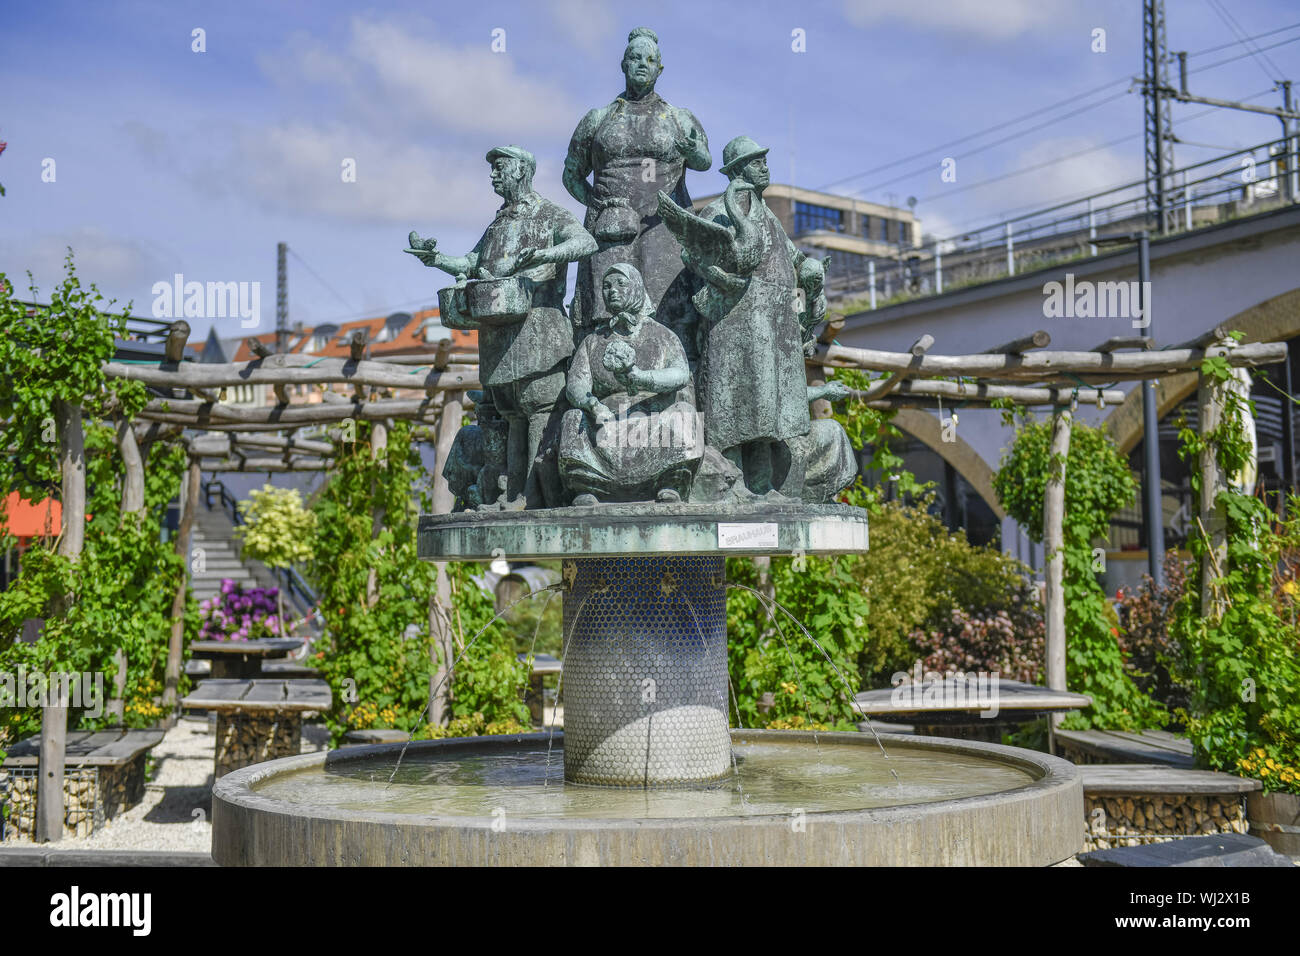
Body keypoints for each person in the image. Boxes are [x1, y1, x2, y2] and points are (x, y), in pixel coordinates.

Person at [408, 145, 596, 509]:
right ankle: (513, 495)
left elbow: (586, 241)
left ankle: (533, 493)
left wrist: (548, 254)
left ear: (522, 171)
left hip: (539, 333)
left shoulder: (549, 215)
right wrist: (437, 260)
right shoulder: (499, 222)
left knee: (538, 410)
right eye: (492, 168)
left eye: (500, 167)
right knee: (511, 415)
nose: (493, 174)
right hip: (499, 335)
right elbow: (472, 261)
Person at [660, 135, 827, 496]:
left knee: (769, 411)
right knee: (735, 405)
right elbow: (695, 257)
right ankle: (729, 485)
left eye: (764, 160)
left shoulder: (769, 216)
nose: (764, 167)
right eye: (756, 162)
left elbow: (793, 259)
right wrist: (721, 278)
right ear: (738, 170)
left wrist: (810, 273)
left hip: (773, 324)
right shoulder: (719, 210)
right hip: (736, 322)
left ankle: (764, 486)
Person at [563, 27, 710, 358]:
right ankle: (601, 387)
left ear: (660, 68)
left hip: (663, 230)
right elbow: (571, 175)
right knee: (604, 312)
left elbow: (704, 162)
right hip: (610, 232)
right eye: (634, 58)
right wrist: (600, 206)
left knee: (671, 310)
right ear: (623, 64)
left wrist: (692, 148)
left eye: (649, 59)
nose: (641, 64)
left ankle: (675, 385)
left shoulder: (678, 118)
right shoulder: (598, 119)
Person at [559, 264, 703, 504]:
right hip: (606, 419)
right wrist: (593, 405)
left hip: (652, 418)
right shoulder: (593, 341)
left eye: (620, 284)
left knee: (684, 415)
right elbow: (576, 383)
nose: (612, 291)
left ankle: (669, 484)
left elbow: (680, 374)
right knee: (573, 418)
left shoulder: (662, 335)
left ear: (636, 288)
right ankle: (589, 486)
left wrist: (642, 377)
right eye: (606, 286)